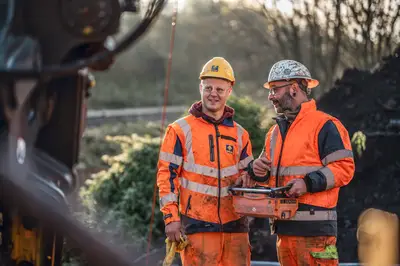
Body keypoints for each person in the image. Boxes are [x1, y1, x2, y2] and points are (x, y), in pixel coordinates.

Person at [247, 59, 356, 266]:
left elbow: (344, 168)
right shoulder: (275, 133)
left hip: (316, 234)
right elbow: (268, 178)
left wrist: (307, 183)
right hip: (284, 231)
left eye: (275, 90)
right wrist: (257, 171)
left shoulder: (325, 125)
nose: (271, 96)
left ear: (294, 88)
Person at [156, 57, 255, 266]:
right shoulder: (179, 130)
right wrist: (171, 219)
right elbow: (167, 177)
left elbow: (250, 179)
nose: (213, 94)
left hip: (236, 228)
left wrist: (252, 178)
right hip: (198, 227)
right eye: (208, 87)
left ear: (229, 91)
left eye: (220, 89)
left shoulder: (240, 134)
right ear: (200, 87)